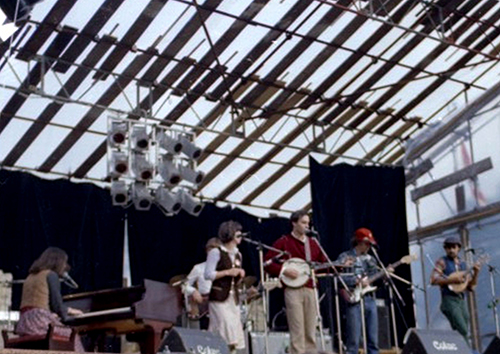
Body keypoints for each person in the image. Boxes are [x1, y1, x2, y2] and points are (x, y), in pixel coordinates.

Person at [264, 210, 329, 354]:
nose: (307, 226)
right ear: (294, 223)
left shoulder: (313, 243)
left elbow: (324, 264)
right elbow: (267, 263)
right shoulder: (284, 241)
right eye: (303, 223)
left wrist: (341, 265)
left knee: (311, 328)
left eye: (308, 223)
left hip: (311, 288)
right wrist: (284, 270)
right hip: (292, 289)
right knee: (297, 328)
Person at [16, 247, 84, 351]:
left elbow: (37, 304)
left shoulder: (30, 277)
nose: (65, 266)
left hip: (25, 323)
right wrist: (70, 312)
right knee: (73, 337)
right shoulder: (51, 275)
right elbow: (56, 305)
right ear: (58, 262)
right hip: (39, 322)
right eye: (64, 262)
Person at [336, 228, 380, 354]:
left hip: (369, 298)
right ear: (359, 242)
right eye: (367, 243)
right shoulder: (345, 257)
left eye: (370, 244)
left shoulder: (371, 260)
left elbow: (374, 277)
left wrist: (383, 274)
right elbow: (339, 279)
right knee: (353, 340)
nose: (369, 247)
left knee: (373, 339)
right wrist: (355, 281)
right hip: (353, 297)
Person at [204, 221, 246, 353]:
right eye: (237, 232)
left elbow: (234, 281)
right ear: (230, 234)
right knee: (224, 327)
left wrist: (240, 275)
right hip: (219, 297)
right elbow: (208, 274)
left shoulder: (238, 254)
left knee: (234, 329)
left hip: (233, 298)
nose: (240, 235)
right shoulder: (216, 252)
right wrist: (227, 272)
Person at [430, 236, 480, 343]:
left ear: (458, 248)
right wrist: (451, 280)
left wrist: (476, 273)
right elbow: (433, 280)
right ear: (445, 249)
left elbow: (471, 287)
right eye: (448, 247)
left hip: (461, 300)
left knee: (462, 329)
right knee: (463, 329)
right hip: (449, 300)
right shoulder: (442, 261)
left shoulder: (463, 265)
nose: (451, 250)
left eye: (453, 247)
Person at [183, 237, 221, 330]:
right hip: (205, 306)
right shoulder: (198, 268)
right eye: (211, 249)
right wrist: (193, 291)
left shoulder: (224, 269)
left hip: (221, 305)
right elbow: (184, 285)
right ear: (207, 250)